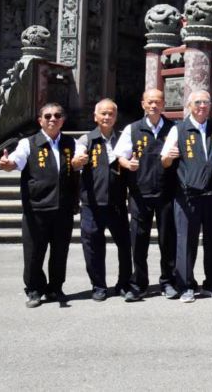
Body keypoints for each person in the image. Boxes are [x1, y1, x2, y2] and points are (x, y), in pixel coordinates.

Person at [0, 103, 78, 307]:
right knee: (34, 252)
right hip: (37, 207)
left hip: (63, 207)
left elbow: (80, 162)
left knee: (60, 252)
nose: (53, 119)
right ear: (40, 120)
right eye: (48, 116)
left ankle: (55, 288)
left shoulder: (72, 143)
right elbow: (16, 161)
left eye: (58, 115)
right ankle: (34, 289)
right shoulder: (29, 143)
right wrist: (8, 165)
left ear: (63, 119)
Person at [160, 89, 212, 303]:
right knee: (186, 241)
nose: (202, 106)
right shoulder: (179, 129)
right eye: (198, 102)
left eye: (206, 102)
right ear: (189, 106)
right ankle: (186, 285)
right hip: (187, 195)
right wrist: (168, 158)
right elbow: (165, 161)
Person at [114, 88, 177, 300]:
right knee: (139, 241)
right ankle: (139, 283)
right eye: (149, 102)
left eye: (157, 102)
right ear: (143, 104)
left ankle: (168, 281)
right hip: (139, 193)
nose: (153, 105)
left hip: (166, 192)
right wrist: (127, 163)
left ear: (163, 104)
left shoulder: (173, 129)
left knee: (167, 240)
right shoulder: (132, 129)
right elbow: (120, 155)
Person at [72, 99, 132, 302]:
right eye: (103, 114)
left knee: (125, 245)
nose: (107, 117)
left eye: (111, 114)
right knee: (93, 246)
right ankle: (98, 285)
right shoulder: (86, 139)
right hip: (92, 203)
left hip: (117, 202)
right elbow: (77, 157)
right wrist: (78, 160)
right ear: (95, 117)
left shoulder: (123, 139)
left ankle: (124, 283)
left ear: (116, 117)